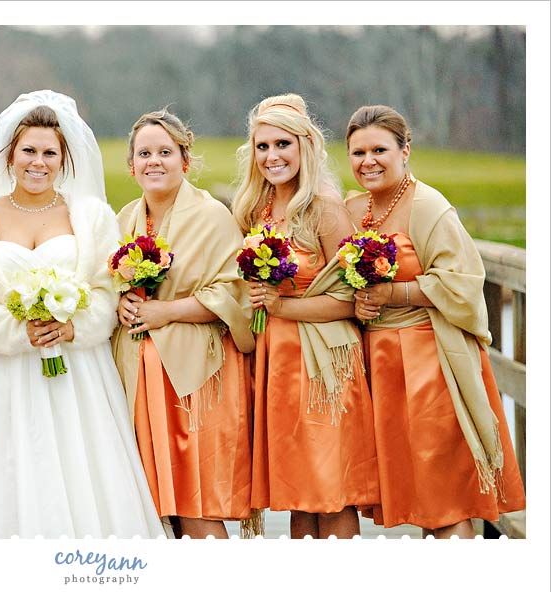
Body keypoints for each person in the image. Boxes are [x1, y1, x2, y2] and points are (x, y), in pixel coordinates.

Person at [0, 90, 163, 539]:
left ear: (64, 159)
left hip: (78, 372)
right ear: (9, 156)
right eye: (28, 151)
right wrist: (23, 332)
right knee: (10, 472)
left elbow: (105, 289)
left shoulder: (93, 216)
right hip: (5, 372)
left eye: (49, 153)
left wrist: (71, 326)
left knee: (86, 476)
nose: (37, 162)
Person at [346, 105, 526, 538]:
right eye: (357, 152)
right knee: (423, 499)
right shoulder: (353, 210)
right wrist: (359, 304)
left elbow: (464, 284)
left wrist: (395, 293)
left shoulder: (430, 206)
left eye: (379, 149)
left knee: (446, 499)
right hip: (382, 366)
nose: (368, 161)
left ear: (405, 150)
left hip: (433, 365)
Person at [232, 93, 380, 539]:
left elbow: (355, 301)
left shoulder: (325, 210)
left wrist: (282, 306)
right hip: (278, 364)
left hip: (326, 365)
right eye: (263, 146)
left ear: (305, 147)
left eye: (283, 144)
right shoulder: (255, 211)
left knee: (330, 491)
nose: (272, 156)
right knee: (300, 495)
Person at [112, 108, 256, 540]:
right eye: (144, 153)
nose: (154, 161)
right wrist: (120, 301)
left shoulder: (213, 217)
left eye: (165, 152)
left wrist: (166, 312)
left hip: (196, 378)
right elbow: (108, 280)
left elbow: (233, 294)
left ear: (184, 161)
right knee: (159, 509)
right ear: (131, 165)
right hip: (138, 377)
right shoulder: (123, 219)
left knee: (196, 503)